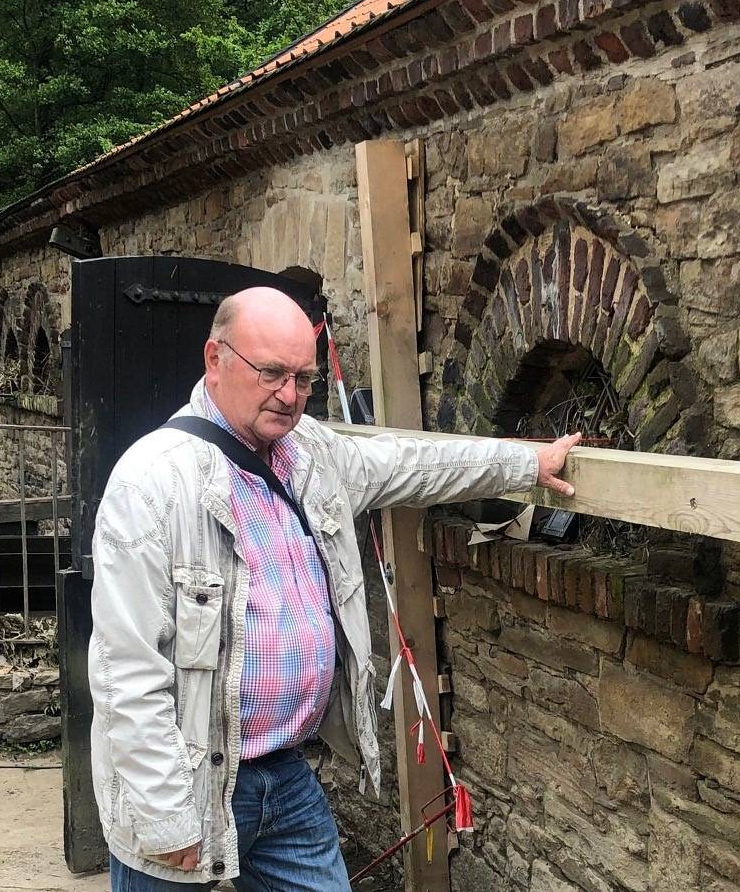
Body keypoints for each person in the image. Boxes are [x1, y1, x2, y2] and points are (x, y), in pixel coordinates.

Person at [90, 286, 579, 890]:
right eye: (271, 373)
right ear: (214, 360)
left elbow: (411, 465)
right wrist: (166, 822)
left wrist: (526, 464)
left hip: (285, 774)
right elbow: (126, 675)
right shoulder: (153, 485)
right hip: (190, 778)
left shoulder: (309, 453)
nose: (290, 396)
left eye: (303, 378)